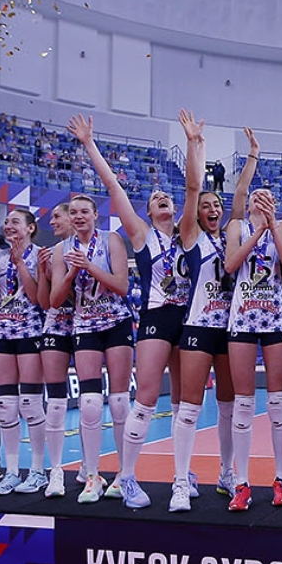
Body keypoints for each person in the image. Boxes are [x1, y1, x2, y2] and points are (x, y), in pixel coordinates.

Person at [72, 113, 189, 510]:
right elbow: (113, 186)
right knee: (147, 398)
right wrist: (89, 144)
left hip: (187, 320)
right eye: (155, 199)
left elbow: (193, 188)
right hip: (156, 317)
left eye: (166, 197)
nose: (162, 198)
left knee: (183, 403)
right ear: (147, 211)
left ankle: (182, 475)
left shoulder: (188, 236)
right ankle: (127, 477)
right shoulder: (141, 234)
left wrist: (194, 144)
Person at [173, 122, 260, 510]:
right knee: (190, 407)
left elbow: (240, 195)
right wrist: (194, 145)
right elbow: (193, 188)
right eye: (206, 206)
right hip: (197, 328)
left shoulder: (232, 235)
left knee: (229, 406)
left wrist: (253, 155)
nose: (212, 209)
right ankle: (180, 481)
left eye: (215, 206)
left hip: (230, 330)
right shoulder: (191, 237)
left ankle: (227, 473)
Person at [49, 184, 134, 504]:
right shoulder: (61, 250)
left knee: (120, 401)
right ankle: (92, 476)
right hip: (84, 324)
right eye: (74, 212)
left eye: (85, 211)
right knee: (89, 403)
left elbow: (122, 286)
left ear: (96, 215)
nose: (79, 216)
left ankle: (125, 474)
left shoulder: (111, 240)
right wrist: (71, 272)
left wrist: (90, 267)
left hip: (116, 322)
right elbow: (55, 300)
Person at [222, 187, 282, 510]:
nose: (261, 198)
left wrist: (272, 225)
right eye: (257, 195)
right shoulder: (237, 227)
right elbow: (230, 265)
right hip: (242, 317)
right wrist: (257, 233)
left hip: (276, 317)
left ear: (275, 204)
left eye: (268, 196)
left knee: (278, 401)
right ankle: (241, 482)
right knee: (243, 402)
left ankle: (281, 479)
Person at [0, 208, 47, 495]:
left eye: (15, 222)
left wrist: (20, 264)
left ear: (30, 228)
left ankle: (38, 471)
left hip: (30, 332)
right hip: (0, 333)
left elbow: (36, 297)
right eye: (6, 222)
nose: (8, 226)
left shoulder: (42, 255)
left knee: (30, 404)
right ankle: (11, 472)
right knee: (5, 406)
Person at [35, 203, 76, 497]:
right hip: (56, 325)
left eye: (56, 216)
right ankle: (57, 471)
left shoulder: (93, 249)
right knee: (57, 400)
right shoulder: (51, 254)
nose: (52, 222)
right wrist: (43, 271)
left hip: (88, 323)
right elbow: (45, 302)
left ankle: (89, 470)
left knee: (90, 401)